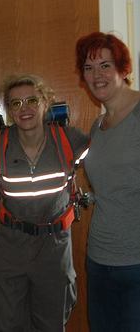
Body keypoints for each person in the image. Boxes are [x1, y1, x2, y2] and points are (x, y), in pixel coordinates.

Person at [0, 74, 89, 331]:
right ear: (9, 110)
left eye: (31, 100)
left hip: (54, 247)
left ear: (45, 102)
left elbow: (107, 159)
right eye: (15, 103)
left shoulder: (69, 140)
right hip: (9, 245)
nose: (24, 108)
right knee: (9, 323)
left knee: (50, 323)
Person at [75, 32, 140, 332]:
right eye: (88, 68)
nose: (96, 75)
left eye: (104, 65)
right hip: (100, 258)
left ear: (123, 69)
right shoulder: (97, 126)